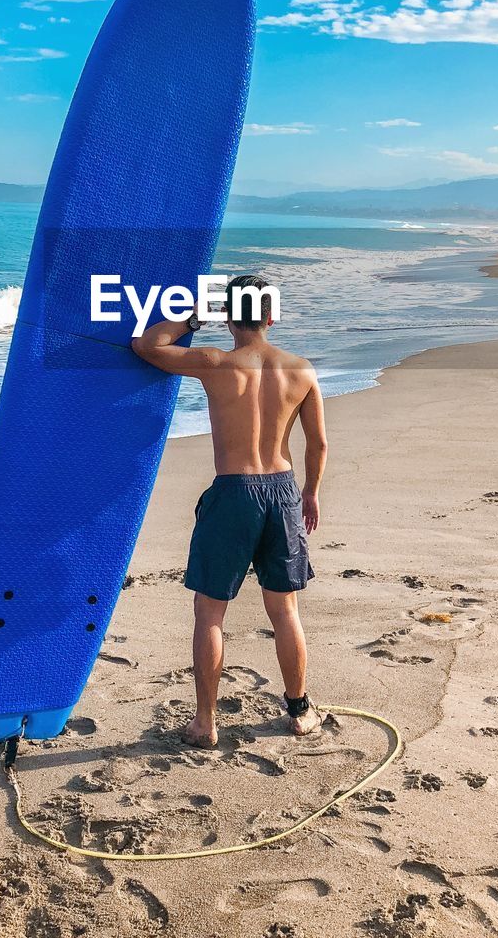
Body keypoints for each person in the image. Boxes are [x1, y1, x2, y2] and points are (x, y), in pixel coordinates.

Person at [131, 274, 327, 747]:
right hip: (281, 491)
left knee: (210, 612)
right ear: (271, 315)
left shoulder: (214, 362)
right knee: (284, 609)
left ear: (230, 317)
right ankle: (299, 711)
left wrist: (194, 316)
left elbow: (147, 345)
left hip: (233, 491)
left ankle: (205, 722)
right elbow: (318, 443)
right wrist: (311, 493)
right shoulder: (301, 370)